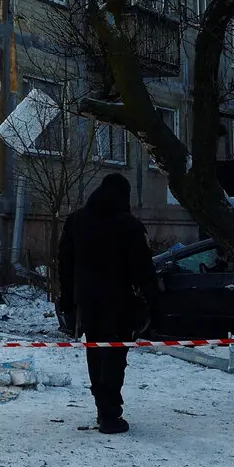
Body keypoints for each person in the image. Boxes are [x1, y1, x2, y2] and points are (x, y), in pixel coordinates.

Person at [58, 173, 159, 434]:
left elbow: (64, 263)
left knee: (95, 351)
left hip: (87, 302)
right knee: (115, 355)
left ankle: (102, 407)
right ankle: (110, 413)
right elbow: (143, 268)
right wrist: (152, 300)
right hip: (120, 302)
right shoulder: (130, 225)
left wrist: (67, 299)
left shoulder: (76, 221)